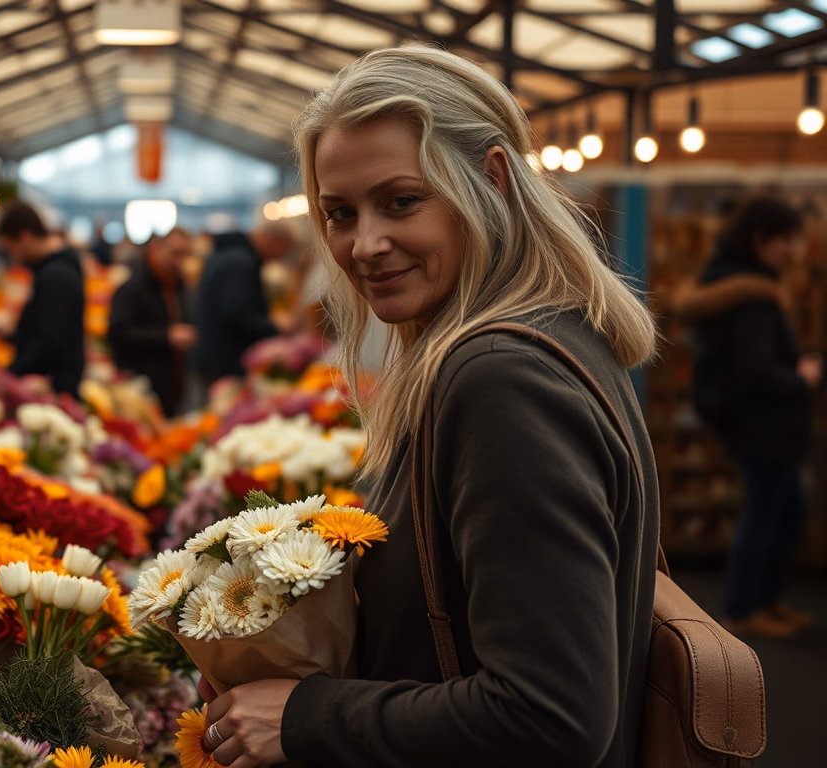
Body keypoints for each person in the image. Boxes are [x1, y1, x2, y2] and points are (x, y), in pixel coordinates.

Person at [197, 47, 660, 768]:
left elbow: (553, 717)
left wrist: (307, 716)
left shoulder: (501, 380)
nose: (365, 245)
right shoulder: (542, 336)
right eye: (340, 213)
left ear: (493, 180)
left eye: (402, 201)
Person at [685, 197, 818, 638]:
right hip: (763, 425)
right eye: (785, 240)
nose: (792, 250)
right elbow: (756, 370)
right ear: (760, 239)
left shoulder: (733, 284)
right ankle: (744, 609)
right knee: (767, 512)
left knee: (783, 507)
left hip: (751, 422)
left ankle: (763, 600)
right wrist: (802, 376)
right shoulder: (752, 296)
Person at [0, 203, 85, 398]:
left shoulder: (55, 276)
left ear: (26, 237)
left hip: (52, 385)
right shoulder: (56, 268)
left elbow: (50, 340)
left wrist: (12, 374)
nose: (14, 257)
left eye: (12, 249)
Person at [192, 222, 296, 384]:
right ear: (269, 239)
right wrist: (274, 327)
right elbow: (237, 313)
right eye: (283, 248)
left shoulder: (229, 254)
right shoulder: (240, 263)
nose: (280, 256)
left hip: (215, 355)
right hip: (226, 361)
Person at [108, 228, 196, 416]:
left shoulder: (180, 285)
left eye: (185, 255)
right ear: (156, 248)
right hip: (139, 389)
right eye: (175, 254)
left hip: (173, 386)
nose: (180, 261)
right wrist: (166, 336)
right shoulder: (132, 288)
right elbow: (117, 333)